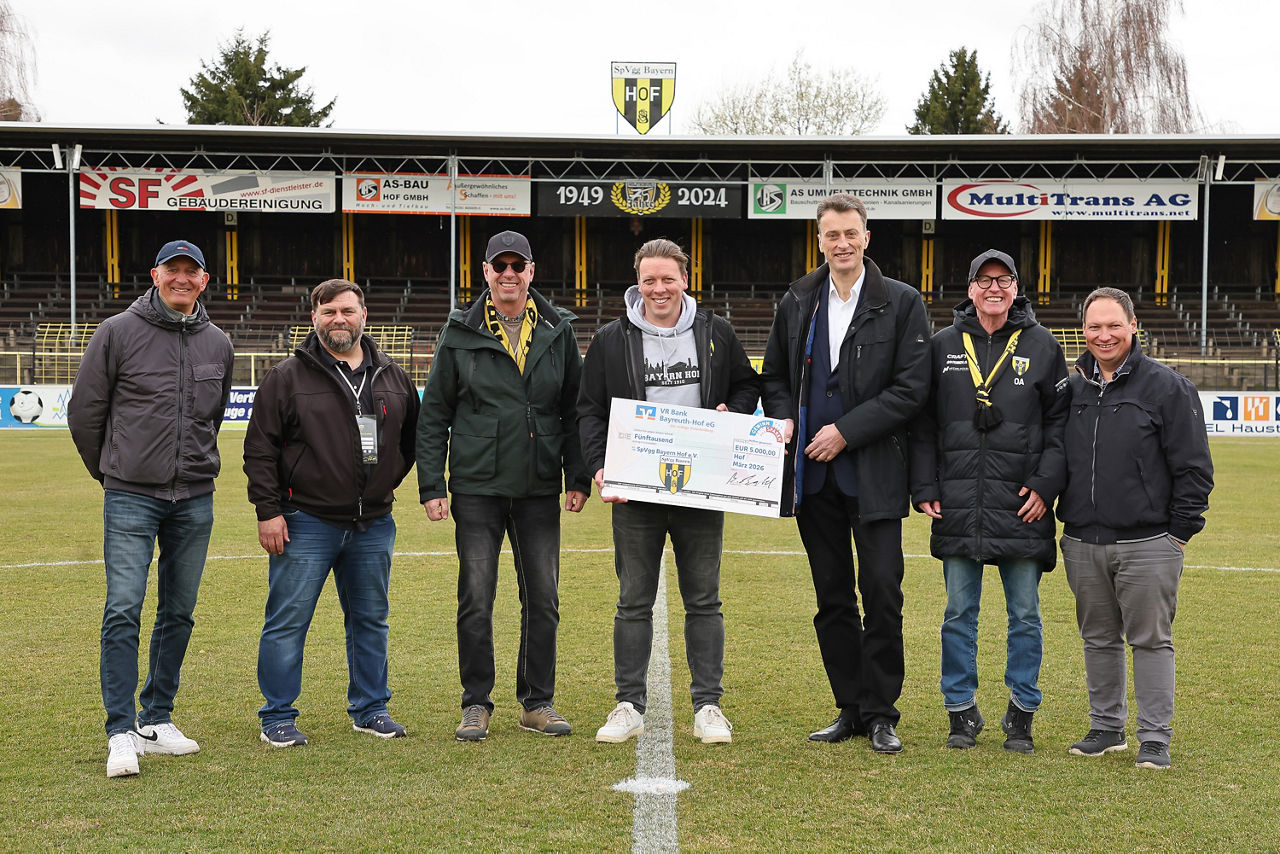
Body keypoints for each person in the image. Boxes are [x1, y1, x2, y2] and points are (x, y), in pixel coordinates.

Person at [760, 193, 930, 754]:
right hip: (813, 478)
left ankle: (882, 712)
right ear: (819, 240)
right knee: (832, 597)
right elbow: (775, 376)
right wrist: (784, 417)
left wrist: (846, 432)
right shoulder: (797, 300)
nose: (842, 243)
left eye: (850, 233)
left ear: (866, 237)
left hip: (874, 474)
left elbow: (911, 390)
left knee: (882, 592)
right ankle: (850, 707)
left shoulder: (901, 301)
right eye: (831, 234)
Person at [578, 238, 760, 745]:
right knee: (633, 601)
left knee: (704, 600)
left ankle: (708, 707)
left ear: (684, 279)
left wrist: (732, 412)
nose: (658, 288)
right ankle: (628, 705)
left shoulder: (716, 331)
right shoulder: (611, 338)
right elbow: (589, 409)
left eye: (668, 279)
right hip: (636, 490)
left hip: (700, 489)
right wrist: (599, 465)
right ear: (637, 283)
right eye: (649, 280)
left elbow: (747, 386)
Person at [68, 239, 234, 778]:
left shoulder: (218, 342)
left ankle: (156, 718)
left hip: (194, 496)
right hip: (131, 495)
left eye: (192, 271)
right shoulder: (117, 331)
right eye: (172, 269)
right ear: (155, 275)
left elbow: (213, 416)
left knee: (179, 611)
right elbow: (85, 411)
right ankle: (120, 730)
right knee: (123, 608)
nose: (182, 278)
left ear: (204, 280)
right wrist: (113, 471)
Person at [417, 230, 589, 742]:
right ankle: (476, 703)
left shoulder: (558, 329)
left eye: (518, 265)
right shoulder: (459, 331)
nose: (509, 274)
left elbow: (575, 410)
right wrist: (432, 484)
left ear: (531, 271)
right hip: (477, 487)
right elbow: (434, 414)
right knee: (476, 597)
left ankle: (537, 703)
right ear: (486, 272)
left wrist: (577, 476)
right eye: (500, 265)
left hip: (539, 486)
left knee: (544, 598)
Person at [243, 279, 419, 748]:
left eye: (346, 310)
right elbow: (259, 449)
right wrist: (268, 510)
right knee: (288, 621)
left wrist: (382, 484)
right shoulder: (287, 377)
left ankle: (371, 709)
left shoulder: (393, 376)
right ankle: (277, 716)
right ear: (314, 318)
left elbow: (410, 443)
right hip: (305, 520)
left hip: (373, 523)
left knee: (370, 621)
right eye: (328, 312)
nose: (338, 319)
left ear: (364, 315)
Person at [909, 249, 1069, 753]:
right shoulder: (942, 344)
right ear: (970, 289)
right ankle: (961, 711)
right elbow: (923, 423)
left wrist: (1045, 486)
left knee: (1025, 615)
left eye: (1004, 280)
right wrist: (925, 486)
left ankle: (1022, 713)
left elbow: (1061, 425)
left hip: (1022, 504)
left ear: (1017, 288)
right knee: (959, 614)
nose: (994, 288)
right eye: (985, 280)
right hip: (960, 503)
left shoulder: (1043, 345)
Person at [1058, 287, 1213, 770]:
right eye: (1094, 327)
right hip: (1083, 540)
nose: (1103, 335)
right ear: (1083, 331)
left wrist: (1178, 533)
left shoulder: (1168, 387)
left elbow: (1194, 468)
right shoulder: (1072, 388)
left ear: (1133, 326)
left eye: (1113, 325)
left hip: (1149, 542)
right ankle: (1107, 728)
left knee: (1150, 640)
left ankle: (1154, 738)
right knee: (1098, 638)